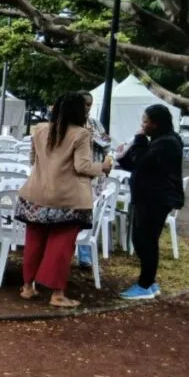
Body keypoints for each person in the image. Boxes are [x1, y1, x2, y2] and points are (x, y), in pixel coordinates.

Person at [18, 92, 112, 307]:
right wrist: (103, 167)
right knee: (61, 245)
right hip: (68, 198)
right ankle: (57, 294)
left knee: (34, 241)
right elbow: (82, 166)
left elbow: (33, 159)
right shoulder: (81, 134)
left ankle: (28, 287)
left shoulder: (40, 129)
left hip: (35, 194)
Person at [116, 104, 186, 299]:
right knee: (142, 239)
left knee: (145, 240)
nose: (142, 125)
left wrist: (139, 139)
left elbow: (142, 162)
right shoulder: (159, 140)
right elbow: (135, 163)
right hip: (148, 197)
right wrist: (123, 155)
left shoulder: (167, 143)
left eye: (145, 122)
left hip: (156, 198)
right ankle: (149, 281)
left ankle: (145, 284)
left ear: (155, 124)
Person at [77, 91, 111, 267]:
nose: (86, 107)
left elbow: (107, 143)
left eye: (89, 104)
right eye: (83, 103)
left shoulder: (96, 123)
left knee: (89, 214)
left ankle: (84, 255)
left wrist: (94, 136)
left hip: (95, 173)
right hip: (75, 174)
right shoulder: (71, 123)